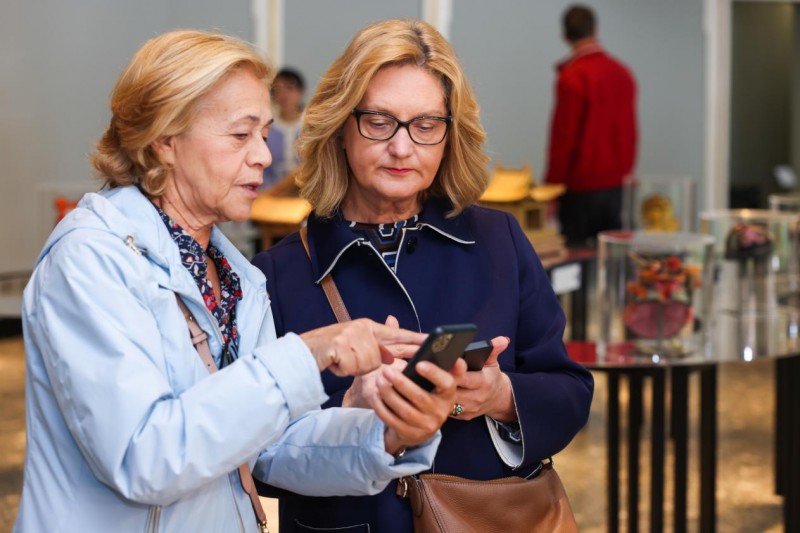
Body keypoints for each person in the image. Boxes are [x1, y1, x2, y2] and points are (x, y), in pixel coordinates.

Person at [13, 29, 464, 533]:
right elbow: (144, 458)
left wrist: (388, 435)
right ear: (165, 140)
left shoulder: (238, 279)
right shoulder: (91, 261)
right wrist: (307, 353)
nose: (264, 156)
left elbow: (267, 447)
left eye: (264, 134)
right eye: (240, 135)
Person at [252, 18, 595, 532]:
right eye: (379, 121)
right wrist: (352, 415)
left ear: (449, 136)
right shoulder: (278, 273)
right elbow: (255, 456)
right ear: (341, 126)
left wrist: (499, 397)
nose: (402, 147)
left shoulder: (498, 240)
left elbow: (570, 391)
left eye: (426, 125)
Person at [544, 4, 638, 247]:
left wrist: (552, 188)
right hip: (617, 186)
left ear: (565, 36)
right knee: (614, 258)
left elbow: (563, 137)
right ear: (595, 30)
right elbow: (631, 133)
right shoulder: (622, 73)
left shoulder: (573, 76)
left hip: (580, 189)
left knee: (577, 259)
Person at [262, 68, 305, 190]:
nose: (284, 94)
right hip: (272, 194)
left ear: (301, 92)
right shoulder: (267, 128)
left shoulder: (313, 126)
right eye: (278, 90)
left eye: (289, 88)